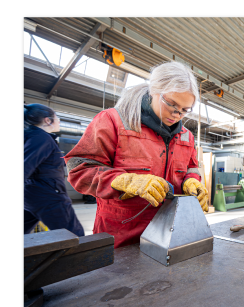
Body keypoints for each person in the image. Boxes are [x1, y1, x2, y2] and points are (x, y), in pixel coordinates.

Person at [65, 61, 210, 248]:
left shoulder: (186, 136)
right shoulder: (113, 121)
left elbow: (191, 167)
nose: (177, 114)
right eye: (171, 104)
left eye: (184, 110)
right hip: (122, 235)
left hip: (171, 233)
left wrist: (192, 180)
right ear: (154, 91)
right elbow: (80, 169)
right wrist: (127, 182)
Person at [23, 104, 85, 236]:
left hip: (31, 195)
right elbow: (26, 165)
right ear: (47, 120)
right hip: (48, 195)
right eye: (57, 117)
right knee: (73, 235)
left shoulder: (33, 137)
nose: (59, 121)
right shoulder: (41, 138)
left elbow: (41, 165)